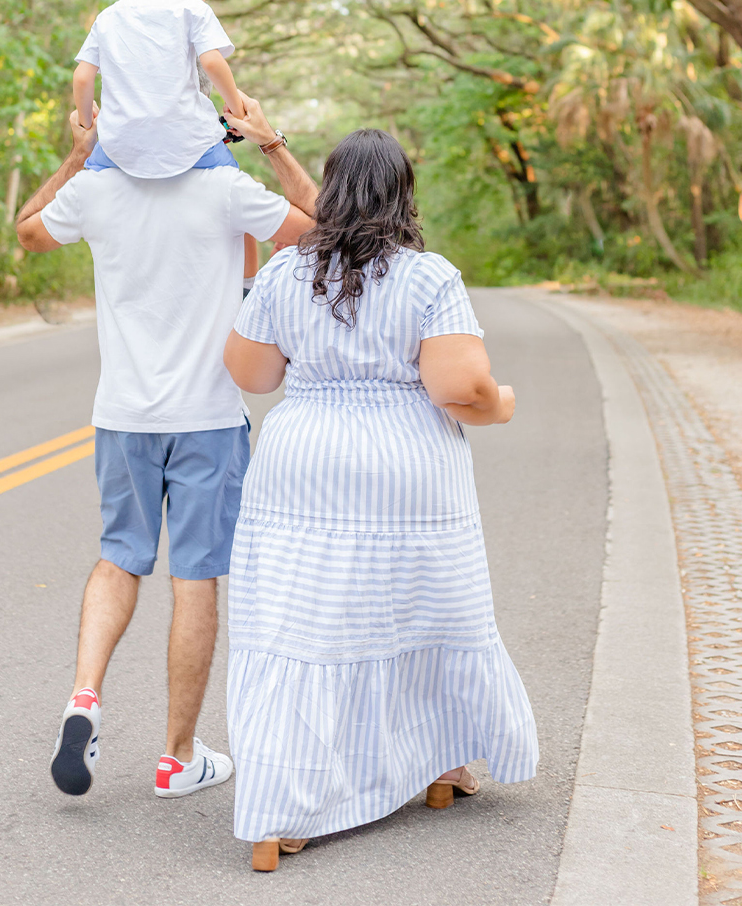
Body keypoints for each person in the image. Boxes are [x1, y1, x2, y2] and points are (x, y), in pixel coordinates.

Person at [223, 129, 538, 871]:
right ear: (404, 194)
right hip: (407, 467)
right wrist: (506, 404)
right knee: (427, 607)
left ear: (329, 194)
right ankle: (441, 765)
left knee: (303, 627)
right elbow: (460, 389)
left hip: (300, 465)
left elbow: (250, 374)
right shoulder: (429, 277)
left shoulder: (285, 273)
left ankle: (281, 814)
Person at [14, 93, 317, 801]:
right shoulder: (224, 189)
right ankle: (178, 757)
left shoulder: (97, 190)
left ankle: (84, 698)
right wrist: (269, 142)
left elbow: (27, 232)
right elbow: (319, 228)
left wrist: (80, 154)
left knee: (120, 558)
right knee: (195, 578)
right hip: (208, 418)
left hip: (123, 415)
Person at [72, 0, 245, 179]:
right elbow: (212, 62)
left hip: (118, 148)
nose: (205, 1)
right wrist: (237, 113)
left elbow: (81, 78)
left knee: (91, 175)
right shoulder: (194, 9)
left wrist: (87, 125)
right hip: (190, 146)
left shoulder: (108, 16)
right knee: (231, 177)